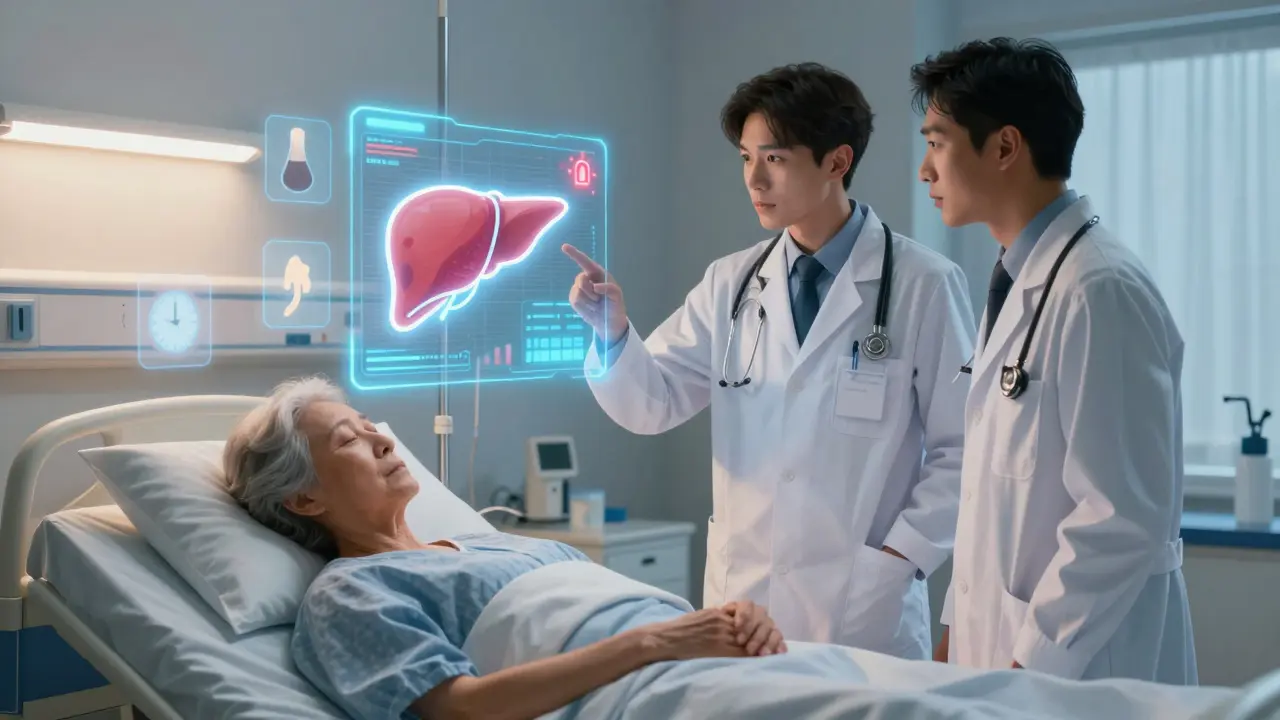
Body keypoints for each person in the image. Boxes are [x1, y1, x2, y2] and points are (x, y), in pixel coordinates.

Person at [560, 62, 976, 660]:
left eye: (774, 159)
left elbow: (962, 448)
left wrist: (899, 557)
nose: (754, 179)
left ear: (837, 162)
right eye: (745, 158)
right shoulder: (730, 282)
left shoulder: (923, 284)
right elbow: (652, 404)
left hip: (861, 615)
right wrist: (612, 333)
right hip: (743, 603)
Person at [224, 376, 789, 720]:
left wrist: (734, 622)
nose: (383, 440)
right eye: (349, 439)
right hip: (641, 695)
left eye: (370, 424)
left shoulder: (491, 544)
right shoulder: (350, 591)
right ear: (304, 499)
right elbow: (465, 709)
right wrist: (658, 641)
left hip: (709, 664)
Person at [912, 38, 1195, 683]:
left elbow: (1122, 515)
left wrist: (1030, 663)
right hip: (1001, 657)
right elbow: (995, 500)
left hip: (1078, 670)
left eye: (937, 142)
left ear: (1004, 147)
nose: (924, 170)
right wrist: (955, 634)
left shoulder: (1099, 289)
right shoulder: (1020, 280)